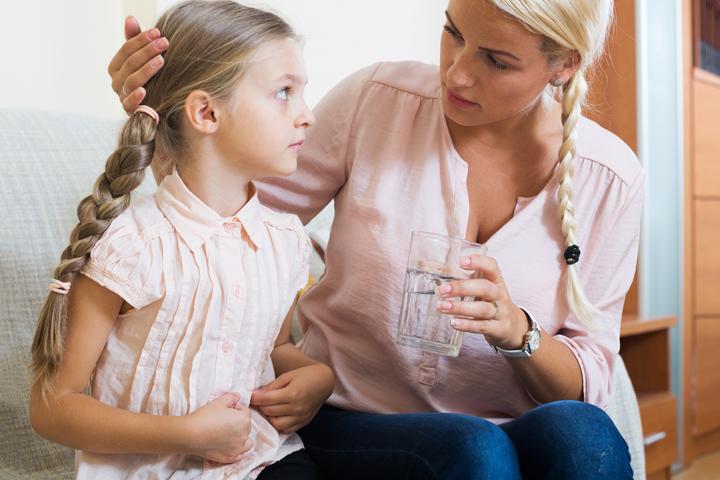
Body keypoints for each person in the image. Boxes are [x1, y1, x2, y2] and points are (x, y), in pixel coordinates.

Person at [109, 0, 640, 478]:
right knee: (474, 449)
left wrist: (516, 329)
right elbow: (225, 217)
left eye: (496, 61)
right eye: (453, 33)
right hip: (347, 415)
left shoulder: (610, 179)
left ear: (564, 64)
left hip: (511, 427)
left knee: (583, 436)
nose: (457, 73)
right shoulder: (377, 101)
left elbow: (588, 381)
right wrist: (159, 104)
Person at [28, 1, 332, 479]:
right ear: (206, 112)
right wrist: (187, 434)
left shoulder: (287, 243)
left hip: (259, 461)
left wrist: (317, 376)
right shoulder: (131, 247)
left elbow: (268, 348)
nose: (307, 116)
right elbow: (52, 407)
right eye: (283, 93)